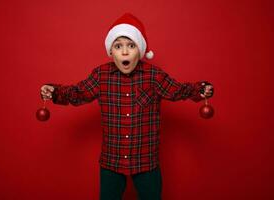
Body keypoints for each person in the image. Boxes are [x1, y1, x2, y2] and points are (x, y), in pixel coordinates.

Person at [40, 13, 214, 200]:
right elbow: (78, 93)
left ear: (139, 50)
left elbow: (177, 90)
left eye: (131, 46)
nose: (124, 52)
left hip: (145, 159)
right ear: (110, 52)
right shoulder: (101, 75)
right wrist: (55, 91)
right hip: (112, 160)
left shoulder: (153, 75)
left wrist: (200, 90)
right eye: (118, 46)